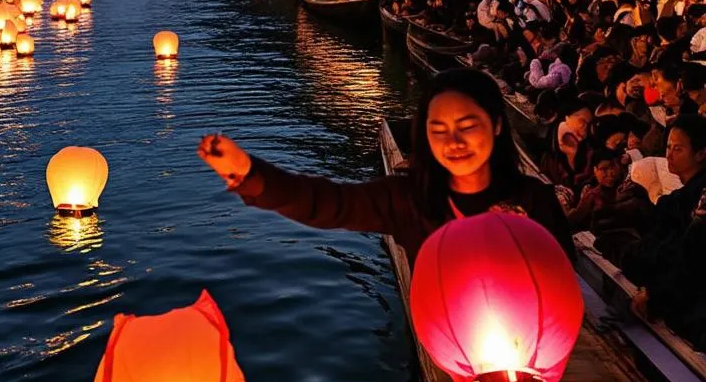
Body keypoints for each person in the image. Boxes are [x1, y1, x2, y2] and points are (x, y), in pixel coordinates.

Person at [197, 67, 576, 267]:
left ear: (495, 125)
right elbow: (327, 203)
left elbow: (561, 275)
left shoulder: (535, 200)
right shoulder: (408, 199)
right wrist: (249, 174)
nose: (454, 143)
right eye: (438, 129)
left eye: (468, 127)